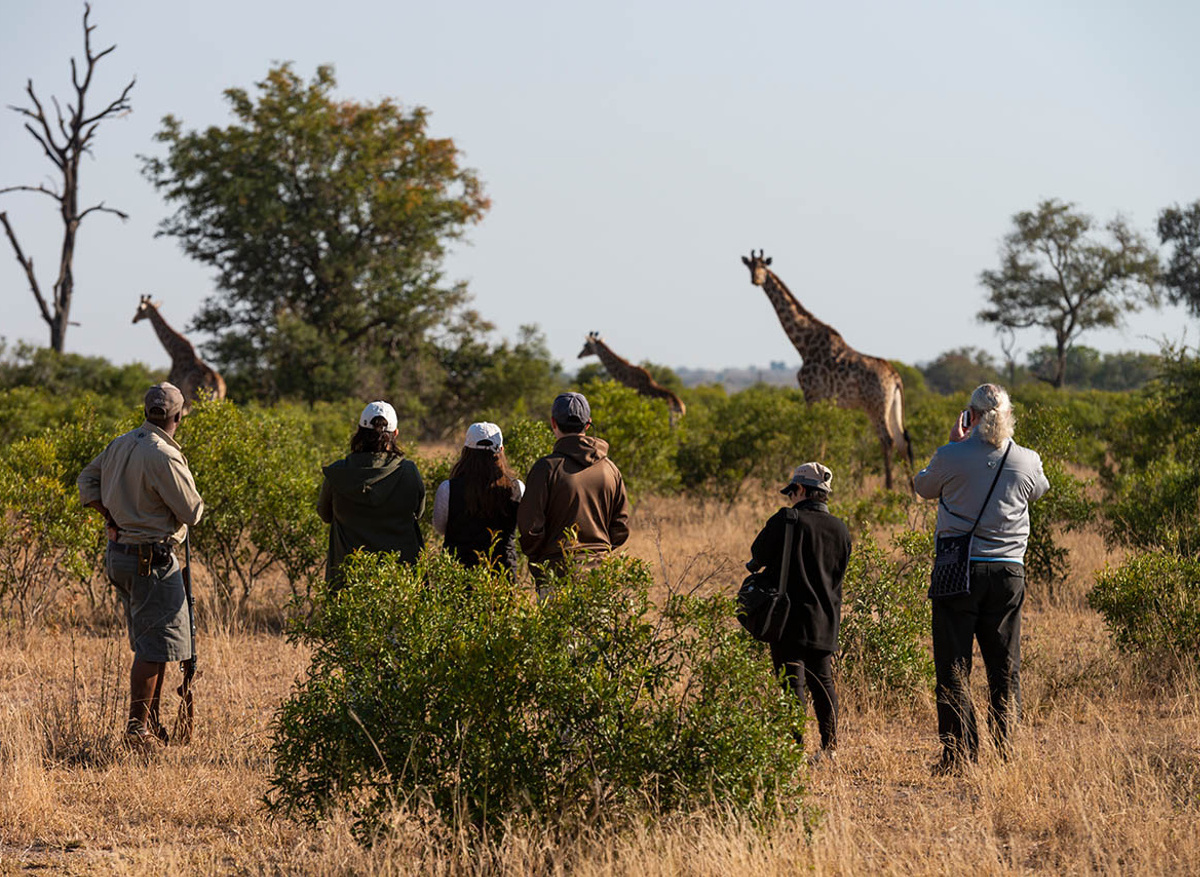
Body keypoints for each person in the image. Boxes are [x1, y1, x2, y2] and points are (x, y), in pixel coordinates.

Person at [914, 383, 1049, 774]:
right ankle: (1005, 754)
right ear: (1008, 416)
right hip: (1008, 573)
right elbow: (1038, 490)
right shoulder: (1027, 459)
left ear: (969, 416)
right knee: (1004, 667)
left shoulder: (950, 455)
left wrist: (956, 443)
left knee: (953, 666)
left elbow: (923, 487)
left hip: (959, 569)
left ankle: (959, 756)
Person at [77, 382, 205, 750]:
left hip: (120, 554)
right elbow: (192, 512)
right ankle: (137, 730)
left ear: (146, 411)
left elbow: (87, 478)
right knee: (153, 647)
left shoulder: (121, 442)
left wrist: (111, 517)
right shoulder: (163, 454)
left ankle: (149, 722)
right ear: (179, 416)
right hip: (152, 560)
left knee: (154, 643)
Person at [747, 462, 851, 760]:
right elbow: (840, 571)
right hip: (824, 617)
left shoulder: (787, 519)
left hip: (787, 617)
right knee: (824, 681)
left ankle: (793, 751)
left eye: (792, 491)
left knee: (791, 682)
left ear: (802, 490)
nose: (790, 497)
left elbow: (758, 554)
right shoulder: (841, 529)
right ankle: (830, 748)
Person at [517, 392, 630, 588]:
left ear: (553, 422)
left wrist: (543, 558)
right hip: (599, 576)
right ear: (588, 424)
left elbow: (530, 528)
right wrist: (599, 554)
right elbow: (621, 527)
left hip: (556, 573)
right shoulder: (611, 469)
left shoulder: (545, 468)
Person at [317, 401, 425, 589]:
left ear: (359, 431)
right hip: (400, 584)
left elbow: (324, 514)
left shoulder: (337, 473)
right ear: (395, 434)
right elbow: (419, 513)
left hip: (348, 582)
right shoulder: (408, 472)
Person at [432, 422, 525, 576]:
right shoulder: (517, 488)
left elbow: (440, 527)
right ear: (501, 450)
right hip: (502, 574)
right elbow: (522, 528)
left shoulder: (448, 488)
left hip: (458, 574)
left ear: (466, 451)